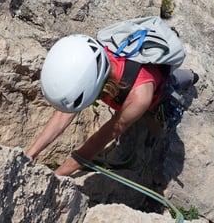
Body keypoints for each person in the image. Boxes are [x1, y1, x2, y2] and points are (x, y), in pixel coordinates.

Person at [25, 33, 197, 176]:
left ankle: (190, 76)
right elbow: (63, 115)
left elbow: (97, 142)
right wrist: (29, 156)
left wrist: (56, 177)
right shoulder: (92, 61)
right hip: (129, 82)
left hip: (153, 92)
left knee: (167, 96)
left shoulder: (139, 98)